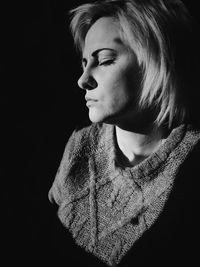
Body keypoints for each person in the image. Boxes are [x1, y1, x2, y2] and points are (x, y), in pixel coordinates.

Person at [48, 0, 200, 266]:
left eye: (104, 60)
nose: (83, 79)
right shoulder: (79, 146)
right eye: (84, 63)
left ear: (156, 62)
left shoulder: (191, 164)